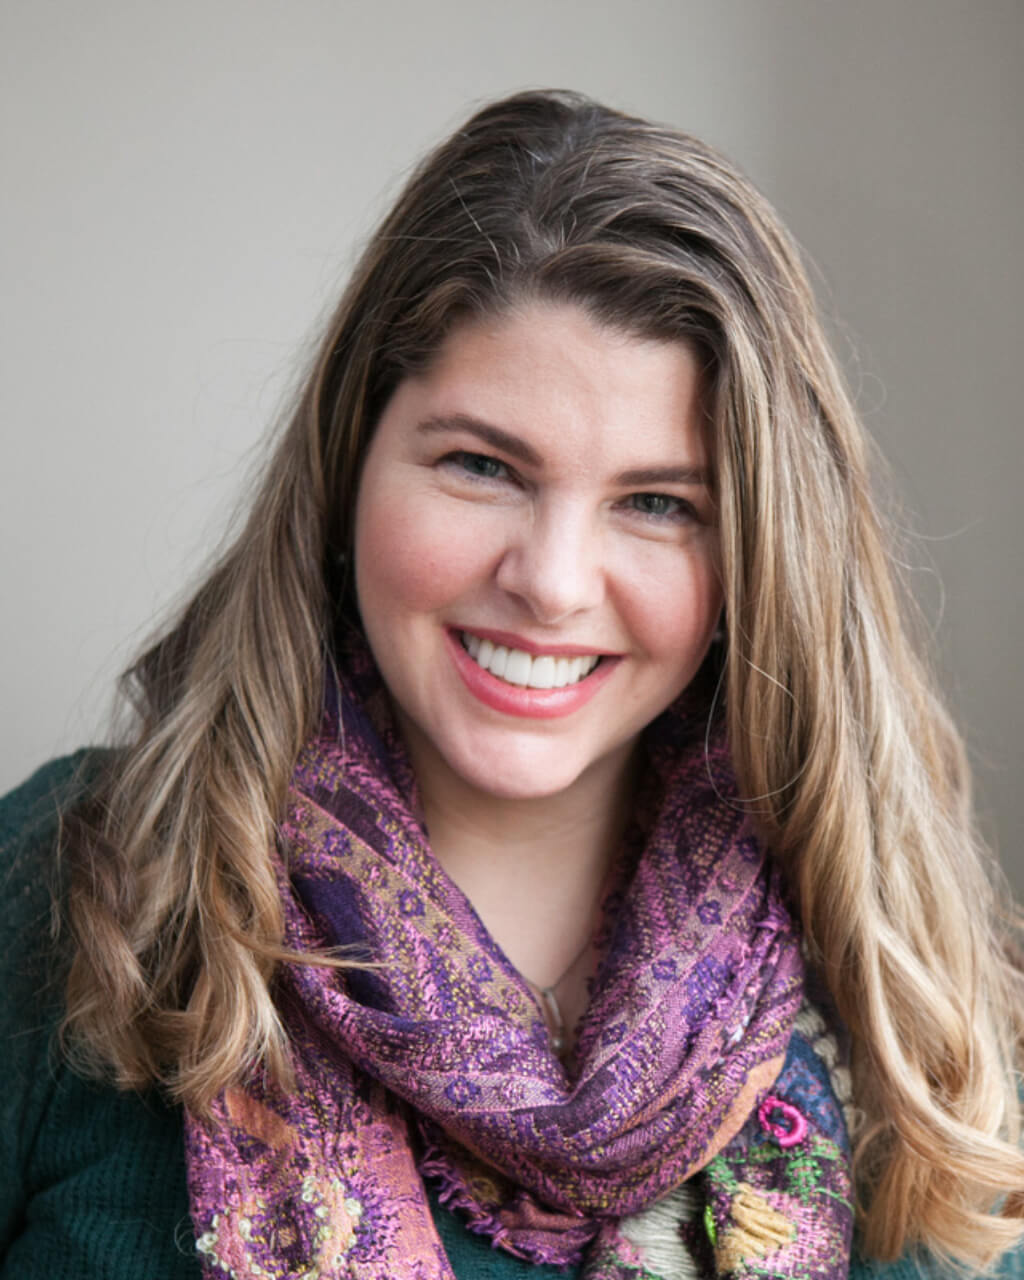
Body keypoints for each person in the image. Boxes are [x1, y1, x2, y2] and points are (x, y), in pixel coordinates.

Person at [2, 89, 1022, 1280]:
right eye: (483, 465)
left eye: (658, 503)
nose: (551, 581)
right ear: (350, 461)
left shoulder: (903, 993)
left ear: (757, 555)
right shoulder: (80, 890)